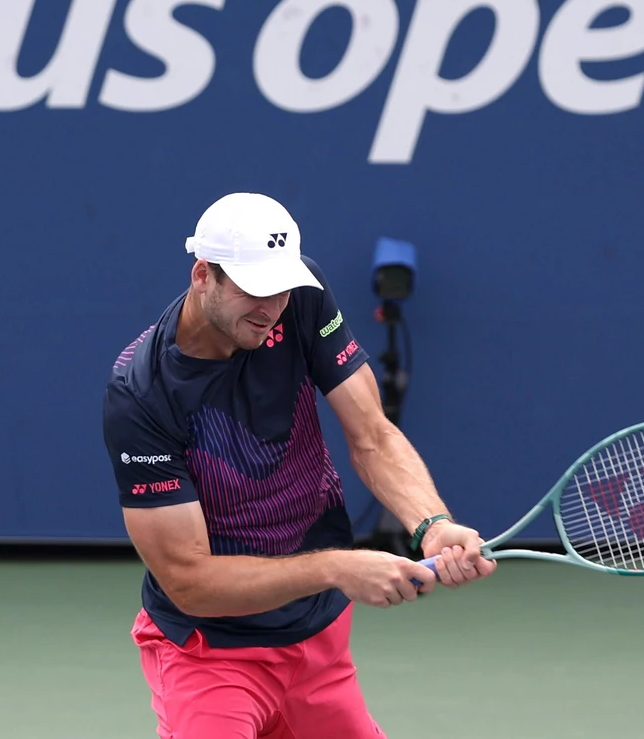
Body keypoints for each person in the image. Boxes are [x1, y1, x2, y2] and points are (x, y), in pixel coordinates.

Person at [101, 192, 497, 739]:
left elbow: (373, 436)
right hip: (211, 653)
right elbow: (188, 581)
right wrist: (337, 567)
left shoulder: (302, 297)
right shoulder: (142, 394)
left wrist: (431, 523)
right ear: (202, 276)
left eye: (281, 287)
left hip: (317, 636)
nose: (271, 307)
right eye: (253, 290)